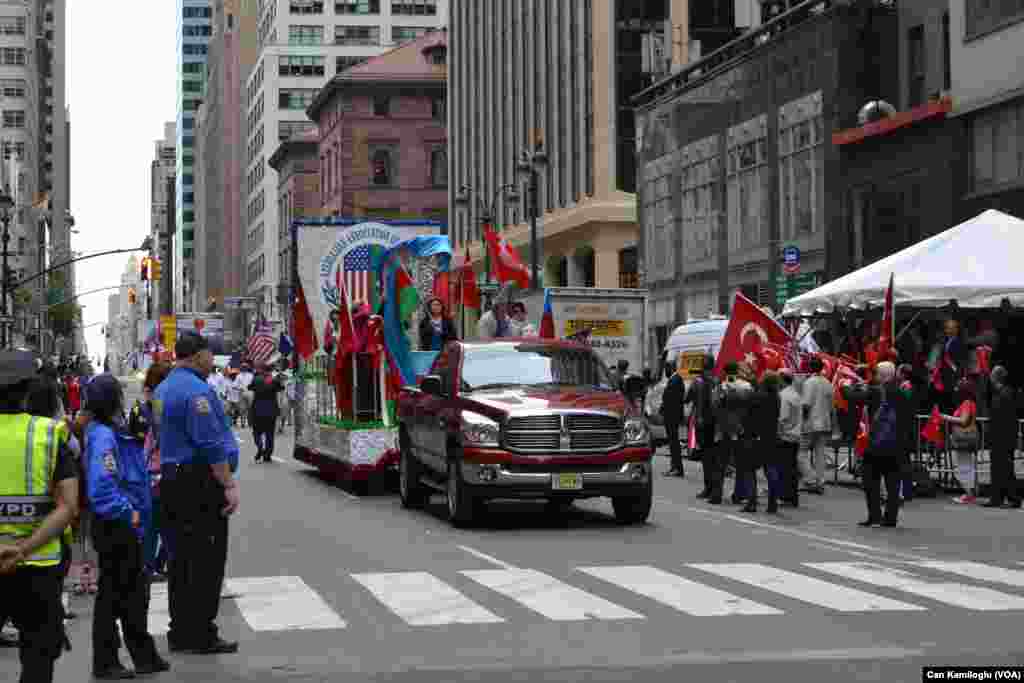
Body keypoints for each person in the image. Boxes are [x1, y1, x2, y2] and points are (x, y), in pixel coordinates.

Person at [154, 333, 240, 655]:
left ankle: (180, 630)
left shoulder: (162, 390)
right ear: (198, 355)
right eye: (209, 353)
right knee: (206, 559)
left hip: (172, 479)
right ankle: (202, 632)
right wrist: (228, 485)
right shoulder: (197, 392)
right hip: (198, 482)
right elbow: (210, 444)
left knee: (179, 559)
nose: (212, 360)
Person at [0, 349, 80, 683]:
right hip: (38, 567)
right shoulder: (48, 433)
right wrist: (22, 549)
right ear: (26, 391)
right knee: (38, 658)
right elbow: (68, 506)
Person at [84, 375, 169, 679]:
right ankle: (108, 661)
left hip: (123, 522)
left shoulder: (110, 432)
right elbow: (102, 488)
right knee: (115, 596)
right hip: (116, 524)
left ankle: (142, 655)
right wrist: (127, 512)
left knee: (131, 593)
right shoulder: (103, 437)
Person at [844, 361, 913, 527]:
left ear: (881, 375)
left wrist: (844, 384)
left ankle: (874, 515)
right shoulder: (902, 392)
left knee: (870, 481)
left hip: (876, 444)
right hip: (896, 444)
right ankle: (891, 517)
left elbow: (852, 397)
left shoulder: (876, 391)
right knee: (893, 483)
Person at [129, 362, 173, 580]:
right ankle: (155, 564)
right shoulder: (161, 409)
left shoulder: (140, 409)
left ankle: (151, 565)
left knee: (153, 524)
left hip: (146, 472)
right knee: (165, 523)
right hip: (162, 470)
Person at [709, 361, 753, 505]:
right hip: (741, 429)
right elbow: (751, 408)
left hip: (723, 430)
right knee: (741, 464)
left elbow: (714, 407)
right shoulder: (747, 387)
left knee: (720, 464)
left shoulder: (720, 387)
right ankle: (739, 495)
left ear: (725, 372)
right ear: (737, 371)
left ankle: (716, 495)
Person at [744, 371, 783, 513]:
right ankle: (772, 502)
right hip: (771, 436)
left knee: (749, 469)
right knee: (771, 469)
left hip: (755, 437)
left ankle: (751, 502)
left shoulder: (755, 396)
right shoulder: (777, 398)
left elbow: (748, 416)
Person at [985, 366, 1021, 508]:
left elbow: (1005, 419)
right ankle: (996, 498)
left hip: (1003, 438)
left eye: (991, 375)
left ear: (995, 378)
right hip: (998, 437)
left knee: (1005, 468)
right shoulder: (1000, 393)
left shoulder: (1005, 394)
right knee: (997, 468)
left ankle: (1013, 498)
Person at [685, 354, 718, 500]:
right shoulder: (717, 380)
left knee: (706, 457)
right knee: (714, 457)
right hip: (715, 423)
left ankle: (709, 488)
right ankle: (715, 488)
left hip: (702, 422)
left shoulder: (697, 381)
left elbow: (687, 398)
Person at [943, 378, 979, 505]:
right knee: (966, 465)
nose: (955, 390)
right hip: (968, 437)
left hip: (964, 438)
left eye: (958, 388)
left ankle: (968, 494)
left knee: (963, 466)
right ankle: (969, 493)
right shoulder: (971, 403)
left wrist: (946, 417)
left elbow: (963, 420)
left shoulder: (966, 403)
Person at [801, 357, 833, 495]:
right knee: (820, 454)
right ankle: (820, 481)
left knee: (801, 452)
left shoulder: (809, 382)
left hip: (811, 422)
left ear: (810, 367)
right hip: (825, 422)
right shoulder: (828, 382)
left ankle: (811, 479)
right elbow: (831, 406)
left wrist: (802, 421)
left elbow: (806, 404)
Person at [778, 369, 804, 509]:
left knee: (784, 468)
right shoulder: (795, 394)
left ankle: (785, 496)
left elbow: (782, 418)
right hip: (796, 435)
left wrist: (779, 433)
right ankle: (792, 496)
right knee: (792, 468)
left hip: (786, 436)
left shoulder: (784, 396)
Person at [249, 364, 284, 464]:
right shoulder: (274, 380)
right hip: (271, 411)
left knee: (256, 432)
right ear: (271, 371)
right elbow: (281, 388)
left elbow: (250, 387)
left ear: (262, 370)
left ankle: (260, 446)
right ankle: (267, 455)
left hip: (258, 410)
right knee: (270, 434)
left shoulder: (256, 379)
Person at [660, 354, 687, 478]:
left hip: (672, 416)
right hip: (671, 416)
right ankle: (674, 467)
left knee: (674, 443)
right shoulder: (674, 379)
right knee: (673, 443)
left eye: (666, 368)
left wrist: (664, 408)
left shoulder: (675, 380)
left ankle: (677, 468)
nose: (665, 371)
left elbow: (672, 400)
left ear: (671, 368)